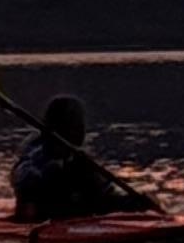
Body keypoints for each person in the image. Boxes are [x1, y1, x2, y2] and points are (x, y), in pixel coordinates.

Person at [9, 92, 118, 223]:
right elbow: (23, 179)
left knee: (83, 173)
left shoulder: (80, 159)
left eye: (81, 123)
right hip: (39, 218)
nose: (81, 129)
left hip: (76, 216)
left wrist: (130, 202)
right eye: (76, 123)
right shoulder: (35, 153)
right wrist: (56, 170)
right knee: (70, 172)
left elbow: (104, 191)